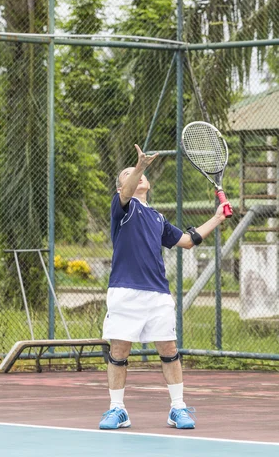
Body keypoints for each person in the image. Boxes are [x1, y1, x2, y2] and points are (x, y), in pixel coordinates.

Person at [99, 143, 232, 431]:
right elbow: (125, 191)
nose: (136, 176)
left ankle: (178, 409)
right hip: (125, 291)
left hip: (158, 294)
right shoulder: (122, 209)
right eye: (129, 174)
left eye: (138, 173)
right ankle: (117, 409)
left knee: (169, 349)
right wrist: (139, 166)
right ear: (124, 184)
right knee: (119, 350)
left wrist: (218, 218)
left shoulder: (157, 218)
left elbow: (187, 240)